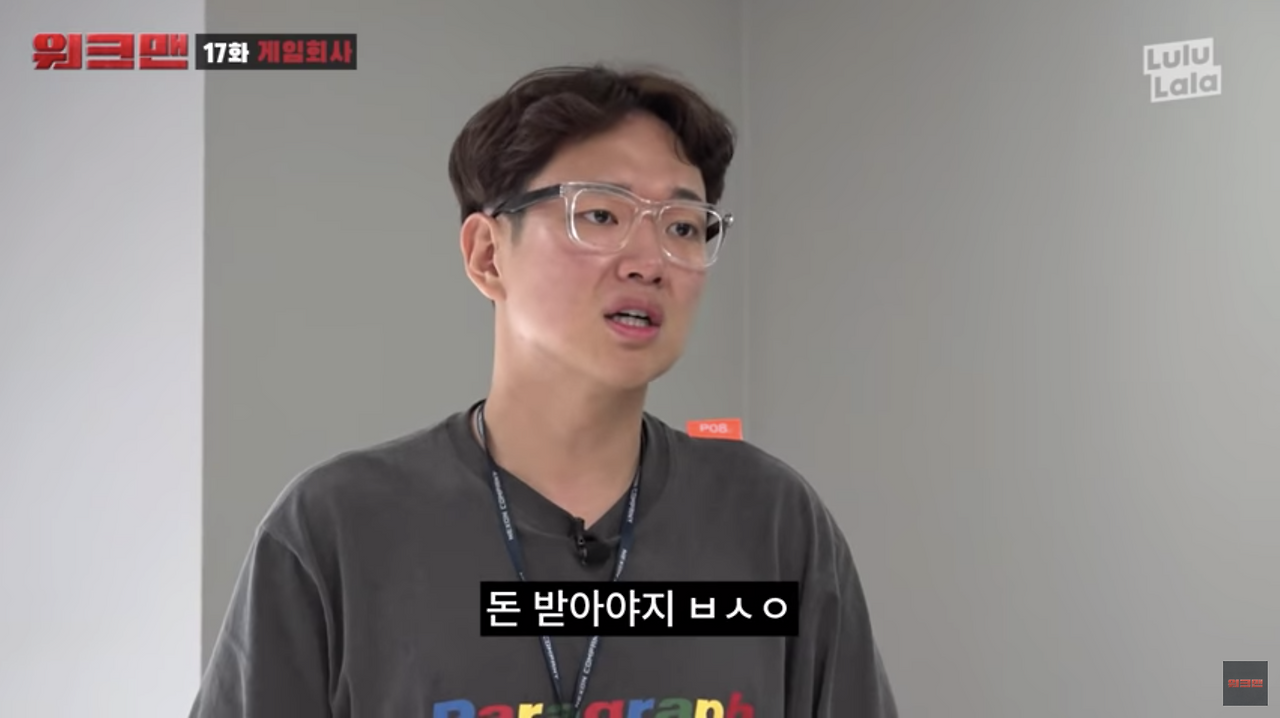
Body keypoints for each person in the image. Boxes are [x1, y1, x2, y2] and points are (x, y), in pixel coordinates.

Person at [190, 63, 898, 718]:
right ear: (487, 255)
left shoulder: (770, 523)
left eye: (683, 226)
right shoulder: (339, 529)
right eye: (601, 214)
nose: (650, 260)